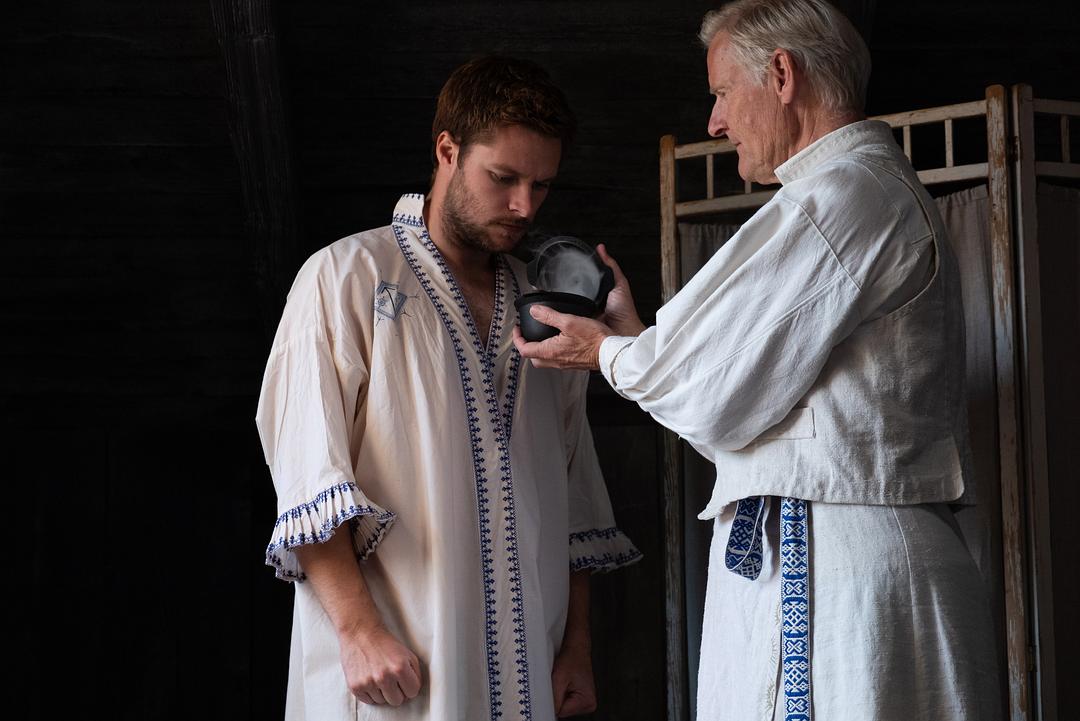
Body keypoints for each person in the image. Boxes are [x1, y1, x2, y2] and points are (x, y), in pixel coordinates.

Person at [513, 1, 999, 719]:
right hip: (833, 551)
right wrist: (634, 341)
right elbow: (743, 405)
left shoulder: (842, 196)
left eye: (720, 93)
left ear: (781, 74)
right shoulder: (858, 191)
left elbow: (712, 393)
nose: (714, 122)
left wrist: (609, 353)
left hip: (845, 569)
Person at [256, 55, 640, 721]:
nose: (524, 206)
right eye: (504, 178)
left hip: (528, 667)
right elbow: (308, 475)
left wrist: (576, 647)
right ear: (447, 151)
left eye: (542, 185)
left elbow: (574, 492)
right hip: (394, 668)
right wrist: (358, 632)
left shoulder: (547, 306)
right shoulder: (346, 277)